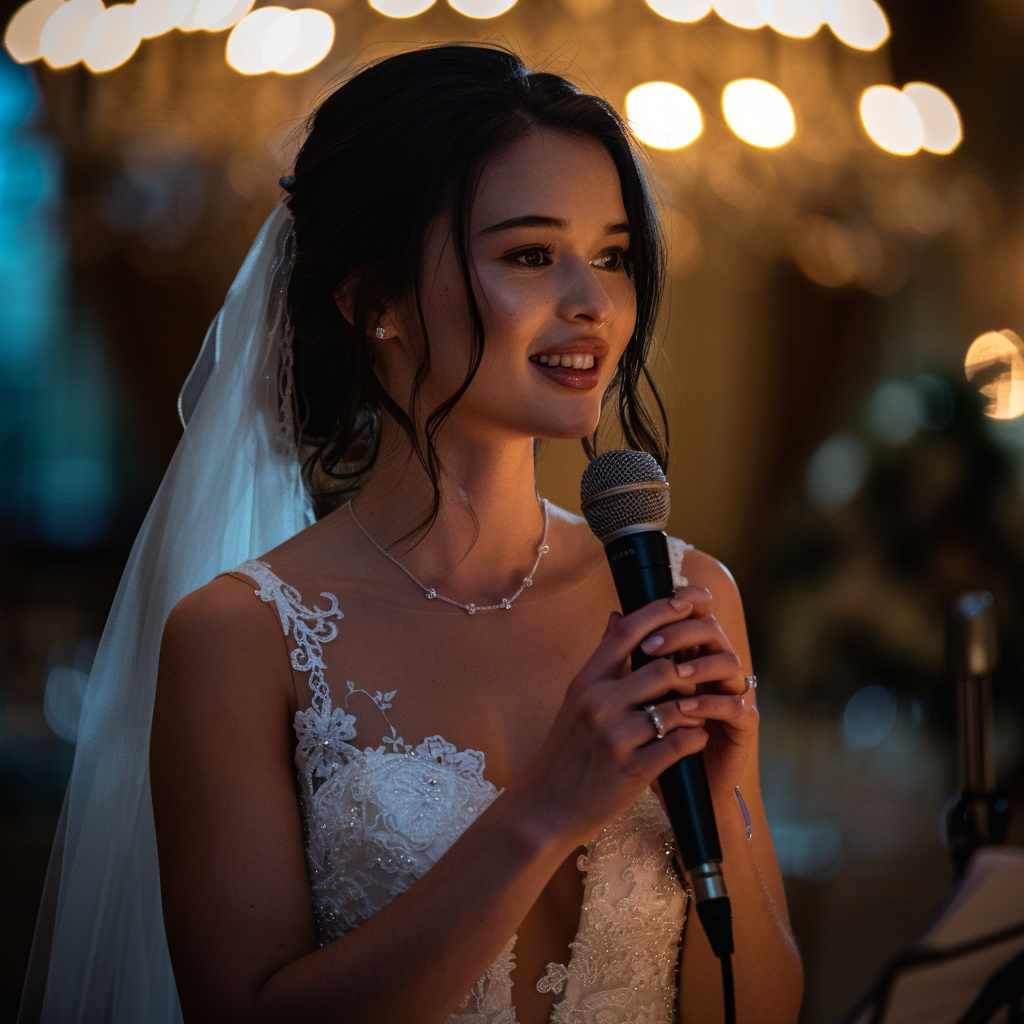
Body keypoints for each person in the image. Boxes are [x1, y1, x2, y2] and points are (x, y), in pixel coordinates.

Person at [21, 44, 802, 1024]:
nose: (594, 302)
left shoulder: (687, 593)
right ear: (374, 300)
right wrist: (547, 807)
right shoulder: (239, 637)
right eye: (529, 254)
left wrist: (725, 802)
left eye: (609, 255)